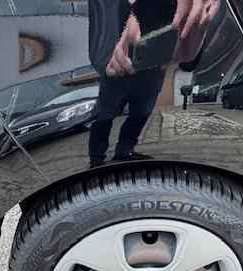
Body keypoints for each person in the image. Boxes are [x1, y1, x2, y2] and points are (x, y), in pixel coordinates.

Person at [88, 0, 220, 166]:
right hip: (119, 64)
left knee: (142, 112)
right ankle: (97, 157)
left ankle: (124, 150)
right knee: (105, 114)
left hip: (151, 66)